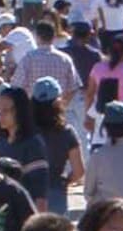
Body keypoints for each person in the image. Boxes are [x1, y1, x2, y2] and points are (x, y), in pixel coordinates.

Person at [30, 78, 84, 215]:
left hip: (29, 193)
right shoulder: (67, 133)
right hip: (56, 194)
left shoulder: (25, 131)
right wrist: (65, 182)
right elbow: (79, 171)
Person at [0, 86, 50, 209]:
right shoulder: (2, 141)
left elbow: (40, 192)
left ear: (20, 111)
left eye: (6, 110)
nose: (0, 115)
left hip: (24, 213)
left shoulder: (33, 144)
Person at [11, 19, 82, 109]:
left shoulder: (29, 58)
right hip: (57, 109)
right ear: (53, 37)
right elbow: (74, 87)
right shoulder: (65, 59)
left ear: (37, 36)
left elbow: (17, 85)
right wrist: (63, 105)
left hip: (34, 109)